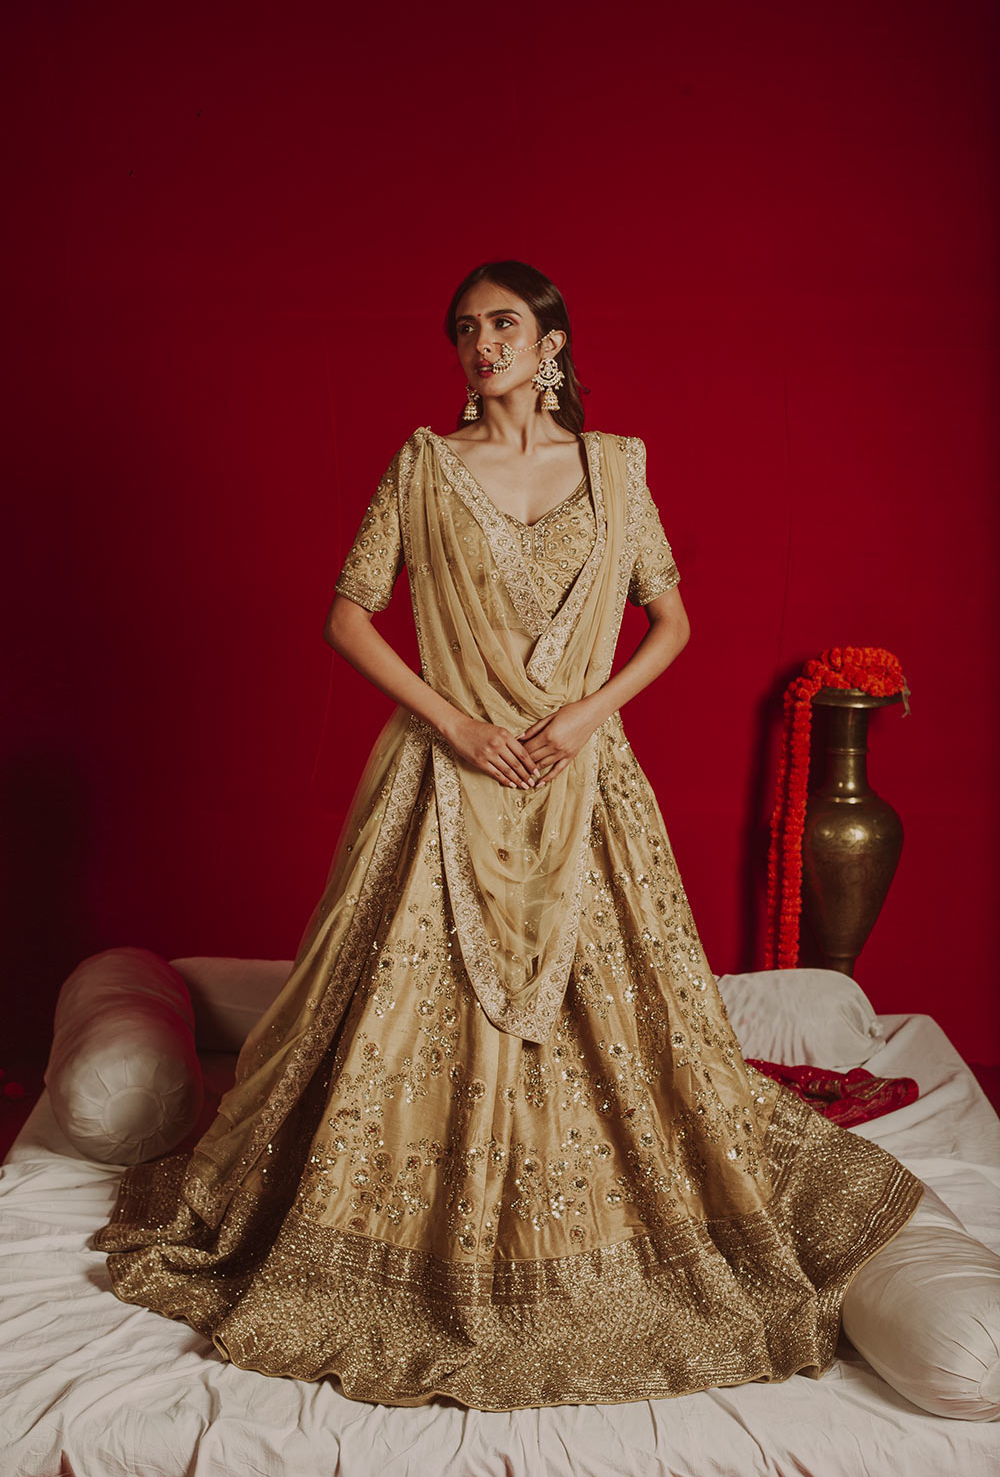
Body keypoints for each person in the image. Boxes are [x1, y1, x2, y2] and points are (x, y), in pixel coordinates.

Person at [94, 259, 924, 1410]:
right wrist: (459, 724)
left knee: (618, 1004)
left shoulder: (617, 469)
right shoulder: (424, 467)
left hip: (583, 774)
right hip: (447, 773)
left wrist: (587, 714)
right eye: (464, 330)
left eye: (501, 324)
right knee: (406, 998)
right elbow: (348, 615)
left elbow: (671, 620)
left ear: (551, 344)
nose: (480, 344)